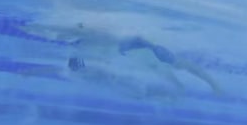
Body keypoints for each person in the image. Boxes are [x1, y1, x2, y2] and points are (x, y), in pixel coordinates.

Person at [22, 22, 223, 98]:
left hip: (119, 51)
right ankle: (47, 31)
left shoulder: (155, 61)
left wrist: (213, 85)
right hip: (122, 49)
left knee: (81, 66)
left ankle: (47, 32)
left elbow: (69, 68)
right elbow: (189, 68)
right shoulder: (146, 51)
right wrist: (213, 85)